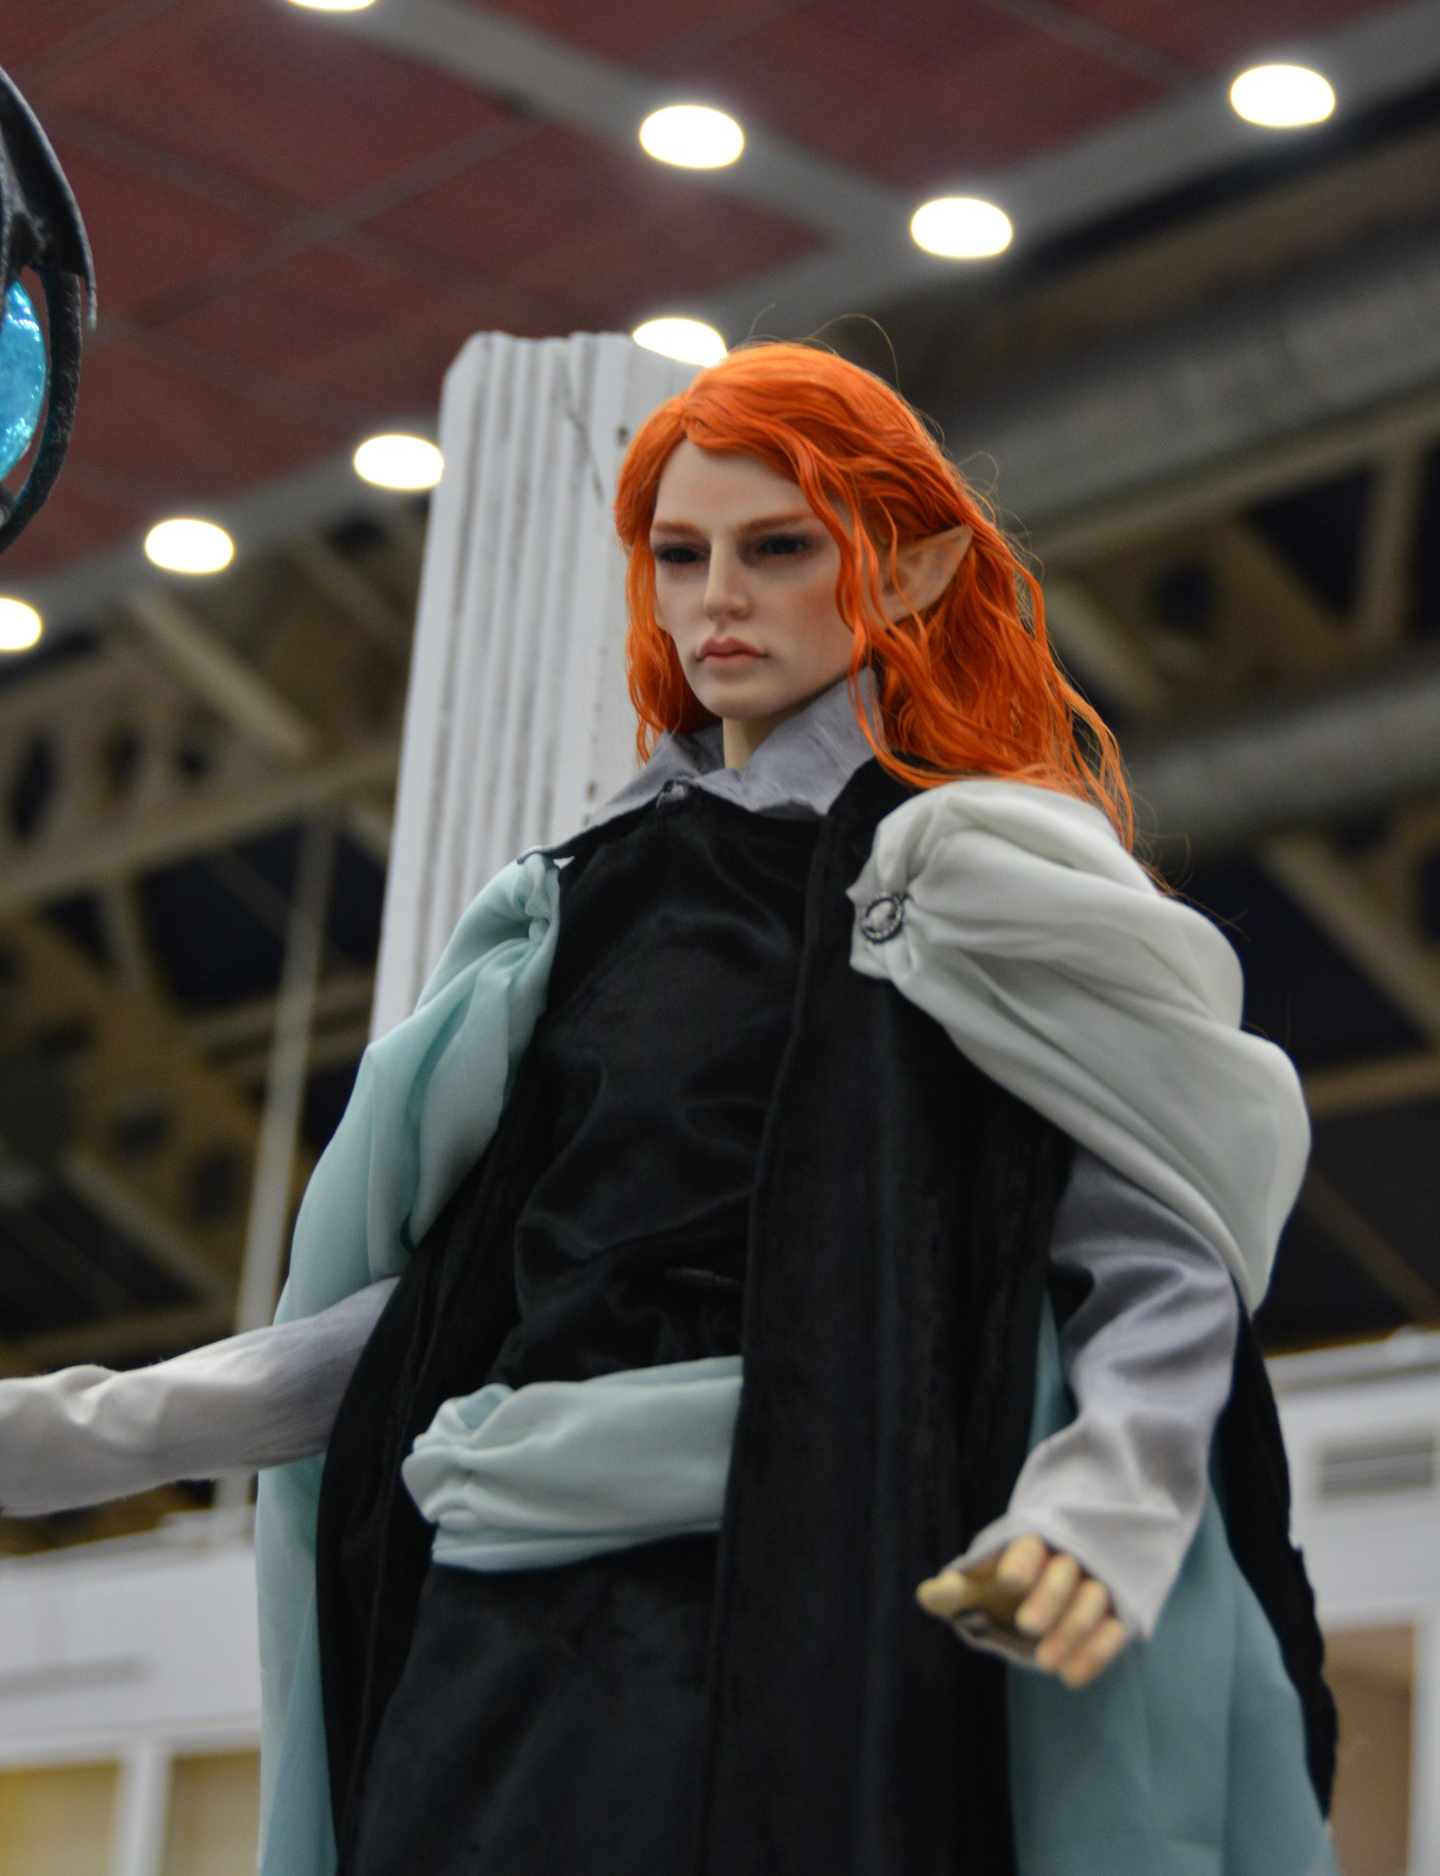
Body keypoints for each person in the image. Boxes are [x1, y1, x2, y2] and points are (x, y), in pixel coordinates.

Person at [0, 342, 1337, 1876]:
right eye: (680, 554)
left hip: (785, 1613)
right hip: (489, 1615)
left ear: (913, 569)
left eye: (780, 549)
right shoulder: (567, 912)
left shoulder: (972, 888)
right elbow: (447, 1320)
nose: (718, 600)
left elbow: (1151, 1260)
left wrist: (1110, 1497)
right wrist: (86, 1430)